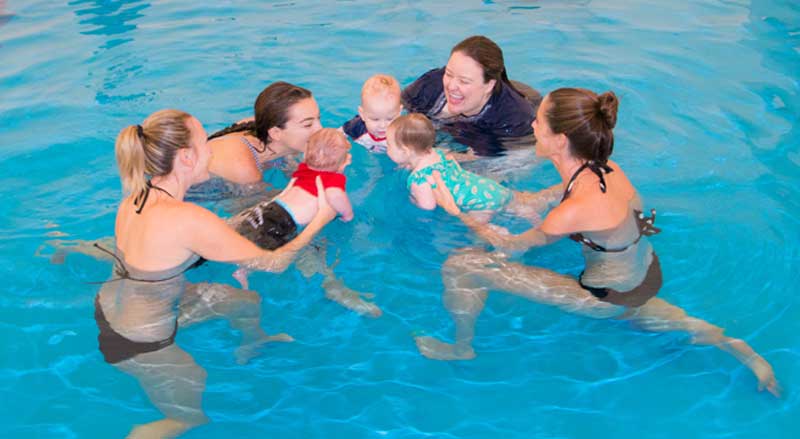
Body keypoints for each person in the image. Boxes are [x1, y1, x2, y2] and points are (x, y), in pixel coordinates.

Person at [416, 88, 780, 397]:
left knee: (463, 263)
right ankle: (744, 352)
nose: (532, 125)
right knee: (654, 313)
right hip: (643, 277)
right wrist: (535, 199)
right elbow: (571, 193)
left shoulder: (572, 213)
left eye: (539, 121)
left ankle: (462, 347)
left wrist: (455, 211)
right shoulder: (607, 168)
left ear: (559, 140)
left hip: (604, 298)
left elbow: (512, 247)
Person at [99, 109, 336, 438]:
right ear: (185, 157)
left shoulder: (137, 198)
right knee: (188, 419)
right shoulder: (189, 218)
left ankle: (253, 342)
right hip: (143, 344)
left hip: (112, 313)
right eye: (203, 142)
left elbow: (182, 244)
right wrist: (323, 217)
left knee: (242, 300)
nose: (211, 149)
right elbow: (275, 263)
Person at [229, 129, 379, 316]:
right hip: (283, 224)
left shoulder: (303, 170)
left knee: (253, 241)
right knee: (270, 251)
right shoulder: (333, 180)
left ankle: (242, 272)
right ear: (343, 163)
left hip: (265, 213)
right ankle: (245, 271)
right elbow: (337, 198)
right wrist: (347, 215)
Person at [386, 113, 542, 223]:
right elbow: (449, 158)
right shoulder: (437, 153)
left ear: (406, 152)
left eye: (389, 145)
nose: (387, 149)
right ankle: (524, 211)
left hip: (479, 207)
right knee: (506, 204)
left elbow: (428, 207)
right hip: (489, 189)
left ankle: (499, 232)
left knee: (481, 231)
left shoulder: (418, 180)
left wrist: (414, 200)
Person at [401, 35, 539, 156]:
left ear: (489, 85)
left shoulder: (515, 119)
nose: (451, 86)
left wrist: (449, 157)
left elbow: (506, 165)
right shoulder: (430, 85)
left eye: (464, 81)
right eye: (449, 74)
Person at [205, 81, 322, 185]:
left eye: (318, 119)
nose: (320, 129)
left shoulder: (270, 126)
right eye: (308, 125)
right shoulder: (244, 168)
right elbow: (266, 207)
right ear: (276, 133)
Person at [340, 74, 403, 153]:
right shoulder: (356, 126)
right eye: (375, 119)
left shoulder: (403, 135)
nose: (383, 125)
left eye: (390, 119)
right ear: (362, 114)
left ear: (399, 112)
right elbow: (337, 135)